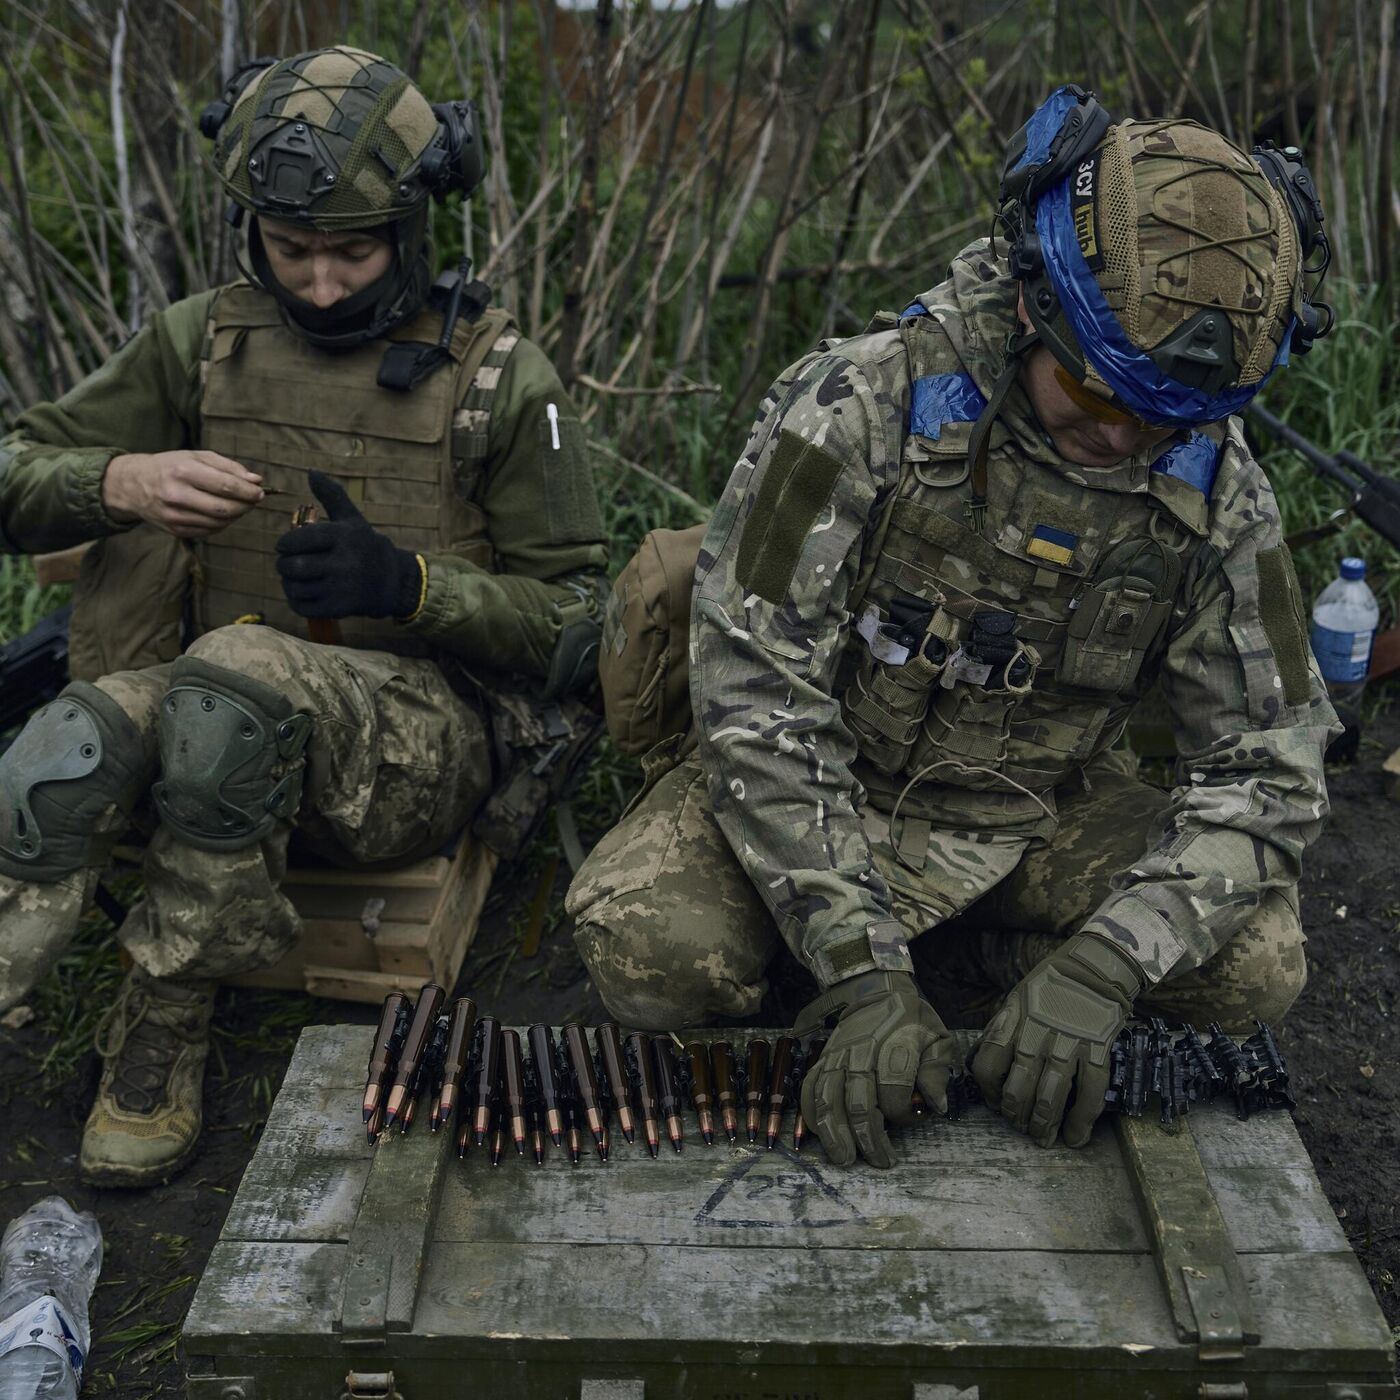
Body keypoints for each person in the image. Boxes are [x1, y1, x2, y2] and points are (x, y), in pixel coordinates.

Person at [567, 87, 1339, 1168]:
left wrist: (1109, 961)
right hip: (827, 781)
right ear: (1032, 304)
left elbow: (1271, 764)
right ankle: (895, 973)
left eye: (1160, 415)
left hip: (1037, 813)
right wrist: (858, 963)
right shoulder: (860, 402)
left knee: (1257, 961)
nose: (1118, 438)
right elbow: (753, 690)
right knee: (649, 950)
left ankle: (1007, 970)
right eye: (1090, 390)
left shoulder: (1216, 489)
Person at [0, 47, 607, 1186]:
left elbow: (581, 622)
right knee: (60, 750)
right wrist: (119, 479)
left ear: (412, 229)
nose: (320, 285)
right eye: (291, 252)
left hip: (414, 752)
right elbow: (16, 466)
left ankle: (164, 1015)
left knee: (235, 679)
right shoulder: (204, 340)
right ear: (253, 236)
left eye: (353, 251)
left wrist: (410, 586)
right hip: (209, 717)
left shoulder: (498, 379)